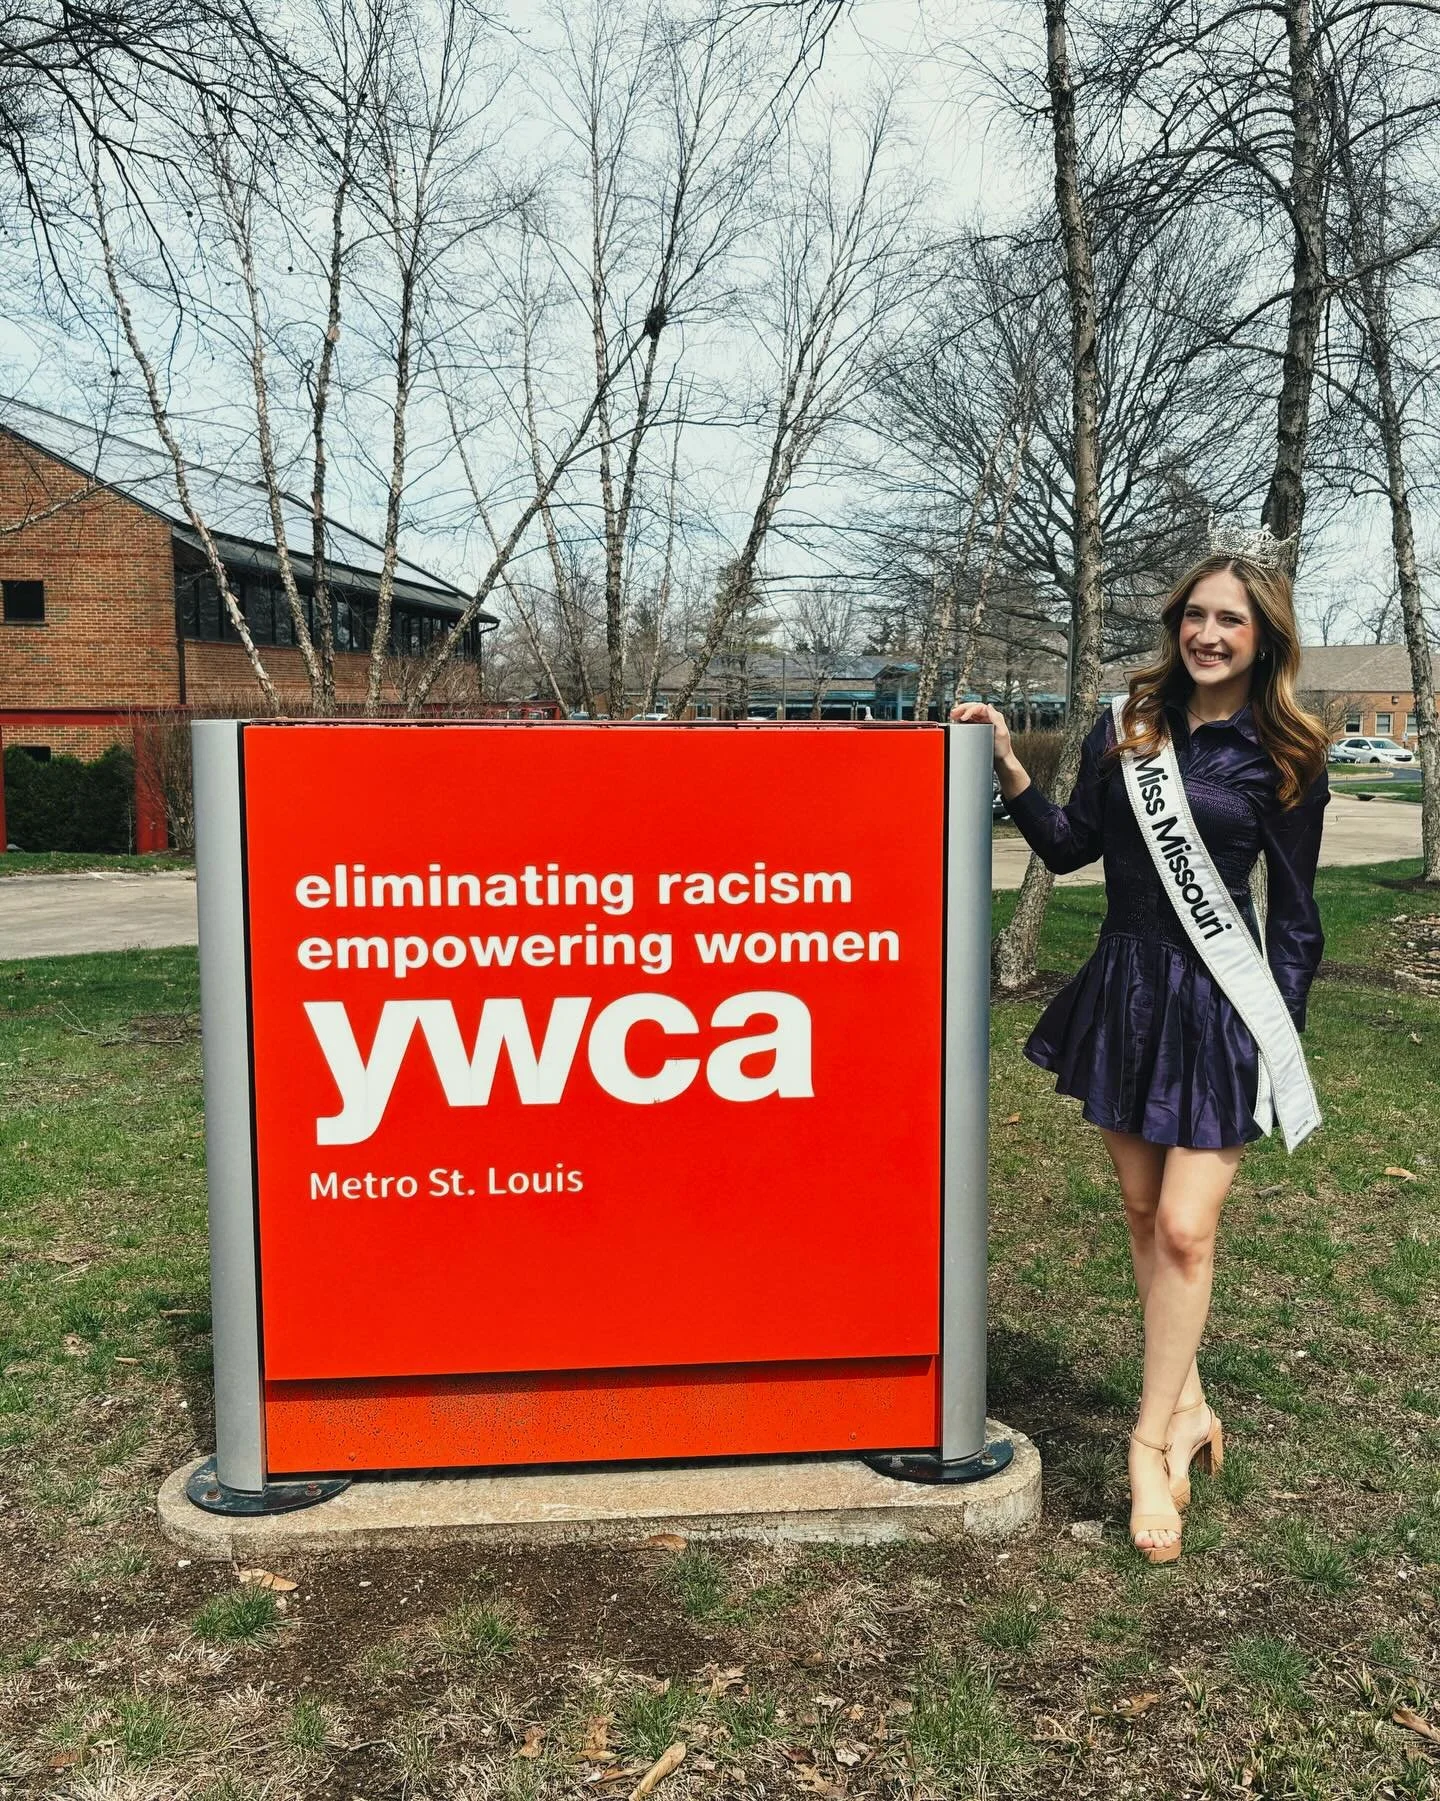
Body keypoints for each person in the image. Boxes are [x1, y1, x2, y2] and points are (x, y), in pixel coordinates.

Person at [952, 545, 1329, 1563]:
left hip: (1219, 1006)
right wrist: (1012, 768)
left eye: (1231, 620)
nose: (1208, 634)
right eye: (1196, 615)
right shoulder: (1129, 724)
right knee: (1140, 1213)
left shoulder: (1287, 753)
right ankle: (1191, 1403)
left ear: (1265, 637)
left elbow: (1297, 921)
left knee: (1186, 1227)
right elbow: (1070, 845)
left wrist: (1276, 1037)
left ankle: (1149, 1441)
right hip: (1126, 994)